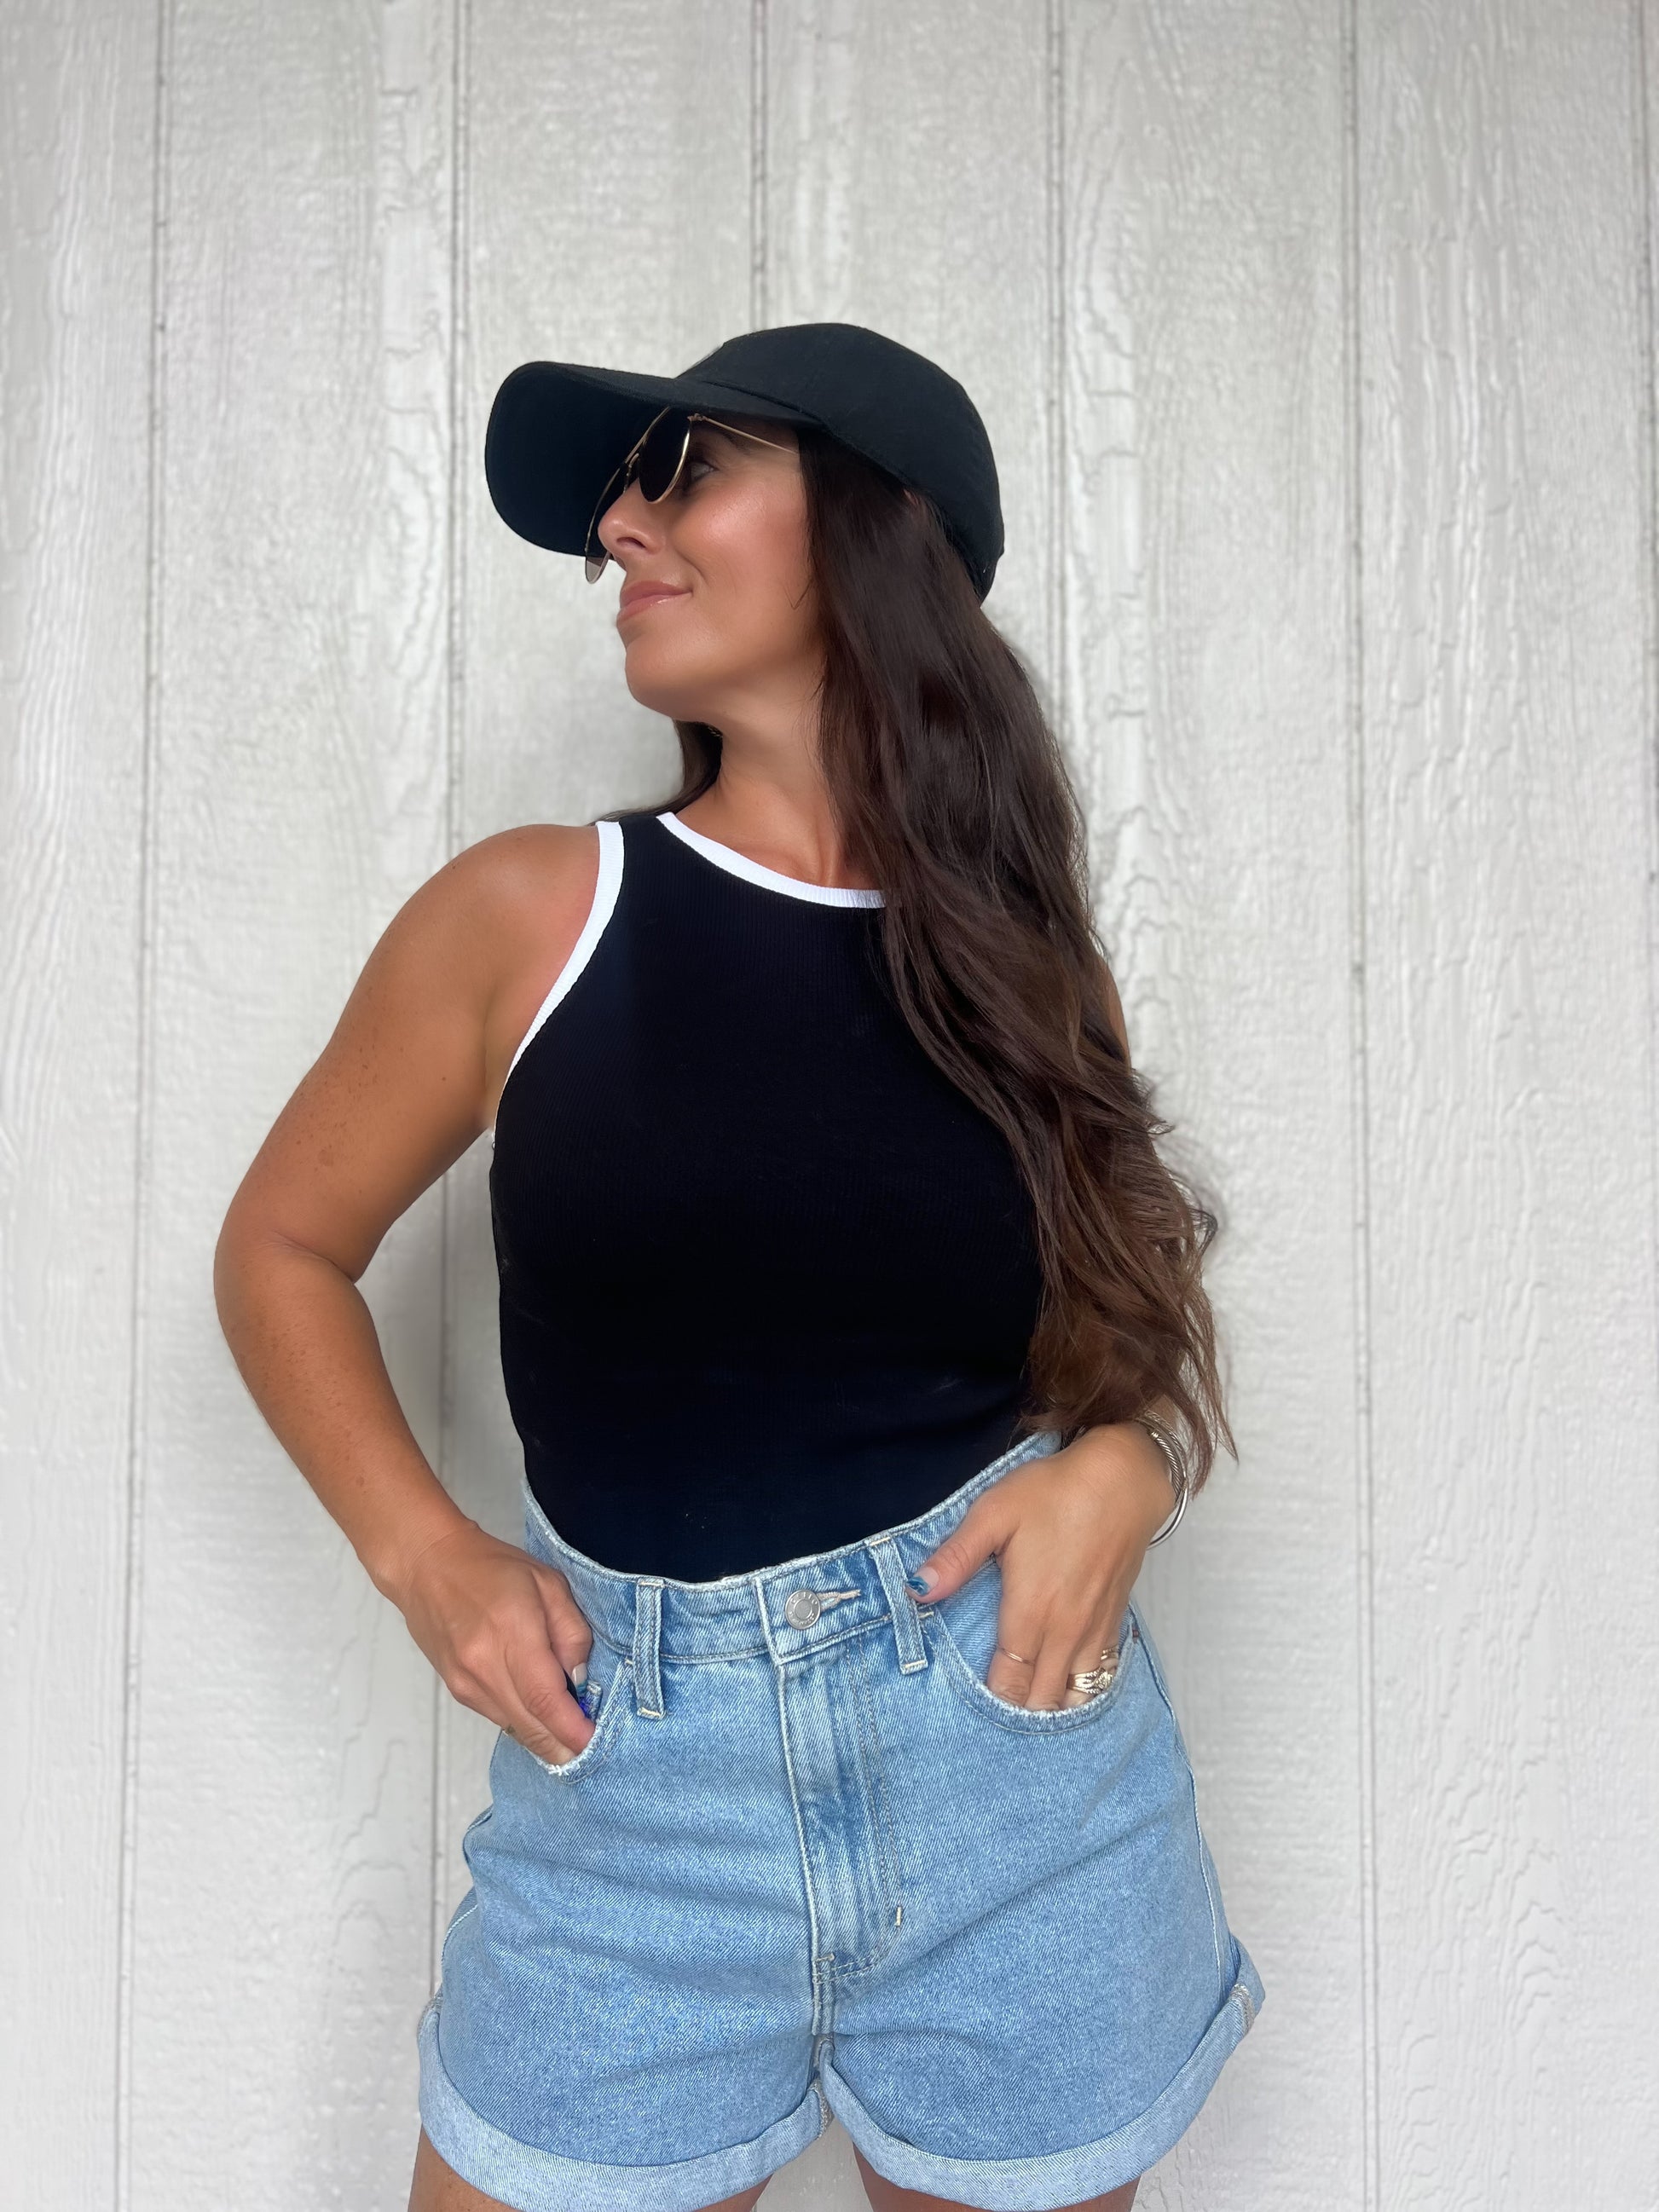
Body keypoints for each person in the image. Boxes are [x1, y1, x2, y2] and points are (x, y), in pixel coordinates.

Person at [214, 321, 1265, 2212]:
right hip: (635, 1792)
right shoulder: (533, 914)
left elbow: (1116, 1327)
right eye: (622, 498)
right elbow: (283, 1247)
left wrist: (1131, 1459)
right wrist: (424, 1552)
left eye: (684, 469)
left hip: (1016, 1776)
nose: (619, 528)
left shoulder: (1027, 971)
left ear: (876, 530)